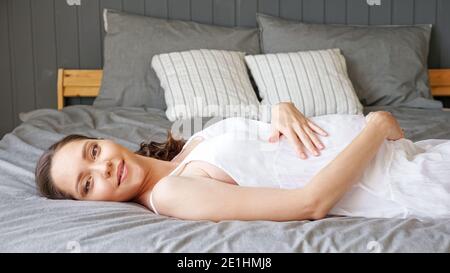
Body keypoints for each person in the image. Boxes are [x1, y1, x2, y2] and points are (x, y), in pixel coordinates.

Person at [35, 102, 450, 222]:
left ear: (102, 140)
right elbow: (309, 204)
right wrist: (374, 127)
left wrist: (280, 108)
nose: (103, 167)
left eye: (93, 152)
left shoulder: (185, 152)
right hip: (401, 180)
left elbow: (259, 149)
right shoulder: (172, 192)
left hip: (408, 152)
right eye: (87, 184)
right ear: (89, 205)